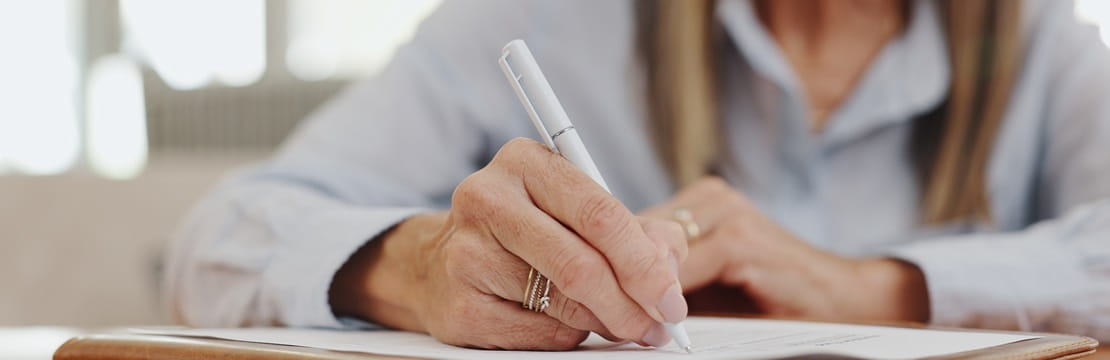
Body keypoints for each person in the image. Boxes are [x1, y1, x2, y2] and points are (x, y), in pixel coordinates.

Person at [165, 0, 1110, 350]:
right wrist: (419, 267)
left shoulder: (1047, 53)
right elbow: (220, 237)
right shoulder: (545, 22)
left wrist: (875, 286)